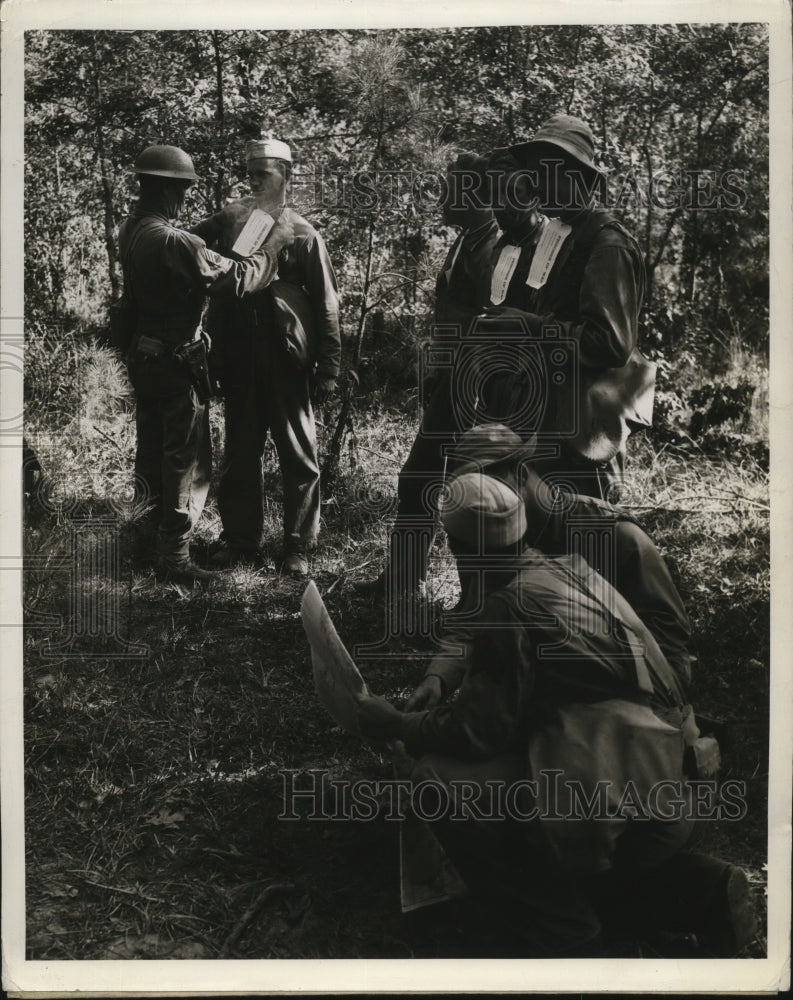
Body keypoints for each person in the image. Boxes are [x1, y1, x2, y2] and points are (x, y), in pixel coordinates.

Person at [354, 473, 757, 957]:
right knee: (558, 818)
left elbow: (478, 733)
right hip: (671, 780)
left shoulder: (512, 605)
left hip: (631, 803)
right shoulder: (570, 568)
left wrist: (396, 724)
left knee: (437, 781)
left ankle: (563, 930)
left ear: (459, 548)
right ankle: (702, 890)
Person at [406, 423, 693, 712]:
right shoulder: (488, 529)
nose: (482, 497)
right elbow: (472, 620)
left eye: (488, 484)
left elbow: (668, 638)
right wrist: (438, 678)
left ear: (519, 474)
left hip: (634, 698)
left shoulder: (614, 535)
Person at [119, 144, 295, 584]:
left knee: (151, 450)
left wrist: (222, 224)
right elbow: (236, 279)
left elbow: (186, 245)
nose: (184, 198)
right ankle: (175, 556)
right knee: (183, 459)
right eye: (182, 189)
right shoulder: (176, 242)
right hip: (177, 363)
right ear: (170, 189)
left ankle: (145, 538)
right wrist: (271, 249)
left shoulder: (135, 229)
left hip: (144, 355)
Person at [477, 113, 654, 501]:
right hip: (548, 429)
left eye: (545, 170)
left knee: (584, 551)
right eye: (534, 170)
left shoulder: (606, 243)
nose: (535, 183)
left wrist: (529, 327)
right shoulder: (559, 235)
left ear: (576, 176)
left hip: (584, 442)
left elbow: (609, 343)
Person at [195, 138, 341, 576]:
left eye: (265, 173)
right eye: (251, 172)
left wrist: (329, 367)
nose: (255, 180)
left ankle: (297, 546)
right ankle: (240, 540)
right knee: (240, 452)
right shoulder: (231, 221)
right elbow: (187, 245)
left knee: (299, 455)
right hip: (240, 359)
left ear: (287, 176)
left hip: (287, 362)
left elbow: (327, 304)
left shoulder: (302, 233)